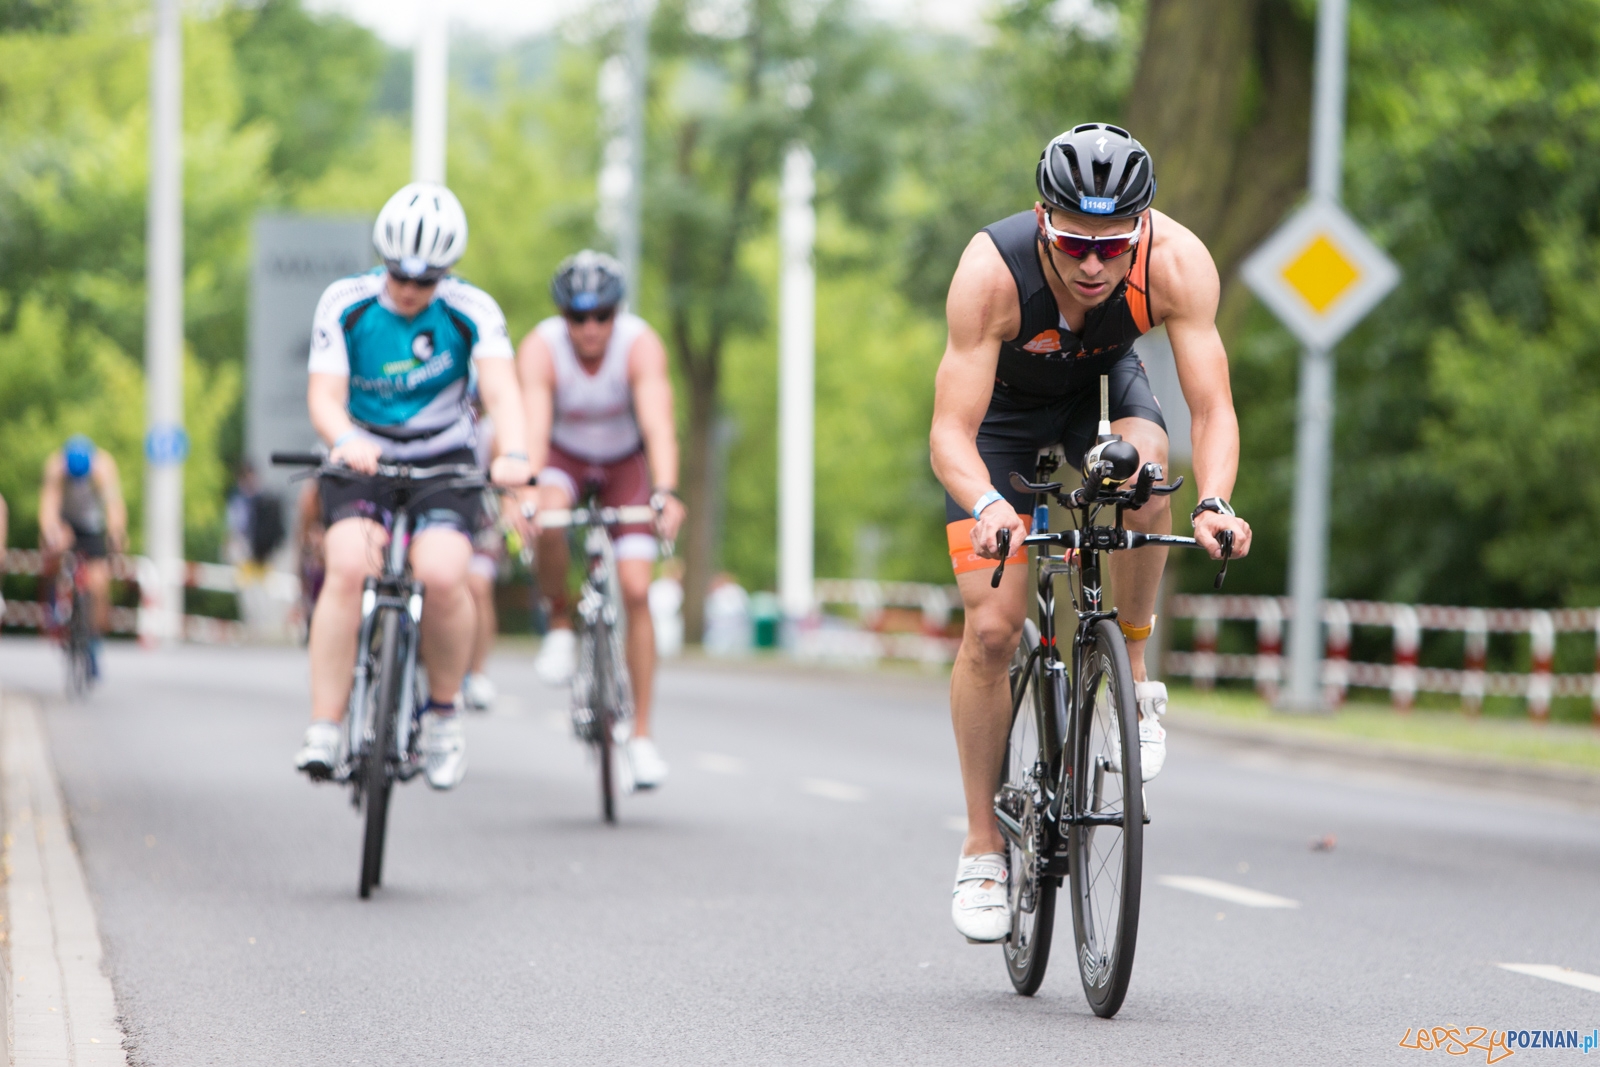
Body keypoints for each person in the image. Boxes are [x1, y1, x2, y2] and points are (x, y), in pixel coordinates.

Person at [929, 124, 1254, 943]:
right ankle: (980, 848)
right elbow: (948, 434)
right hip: (997, 425)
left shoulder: (1176, 261)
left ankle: (1133, 672)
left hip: (1098, 391)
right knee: (993, 629)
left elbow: (1212, 408)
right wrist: (990, 505)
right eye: (1075, 243)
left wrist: (1214, 502)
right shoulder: (990, 275)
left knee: (1149, 480)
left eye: (1114, 246)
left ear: (1141, 229)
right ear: (1044, 218)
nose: (1094, 264)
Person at [292, 182, 532, 790]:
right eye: (398, 276)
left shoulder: (471, 309)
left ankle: (444, 718)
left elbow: (503, 391)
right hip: (362, 450)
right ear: (383, 261)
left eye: (424, 282)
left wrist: (516, 454)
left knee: (447, 574)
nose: (407, 291)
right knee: (347, 565)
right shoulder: (344, 302)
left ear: (445, 275)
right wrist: (345, 438)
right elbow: (323, 396)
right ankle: (325, 724)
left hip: (441, 457)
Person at [518, 251, 686, 789]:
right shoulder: (541, 349)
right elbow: (535, 429)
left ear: (618, 314)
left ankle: (639, 736)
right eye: (577, 318)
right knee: (547, 518)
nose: (590, 330)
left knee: (636, 591)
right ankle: (561, 623)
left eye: (602, 317)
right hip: (565, 458)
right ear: (562, 318)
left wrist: (665, 492)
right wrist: (527, 491)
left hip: (623, 464)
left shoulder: (639, 345)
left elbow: (659, 424)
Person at [39, 435, 128, 656]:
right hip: (67, 523)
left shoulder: (103, 468)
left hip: (93, 527)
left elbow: (114, 507)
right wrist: (52, 532)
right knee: (53, 550)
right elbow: (48, 506)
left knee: (99, 582)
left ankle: (95, 633)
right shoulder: (56, 467)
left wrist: (116, 533)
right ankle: (55, 603)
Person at [462, 410, 503, 712]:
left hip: (479, 516)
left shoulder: (489, 430)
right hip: (432, 505)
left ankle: (477, 673)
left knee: (477, 586)